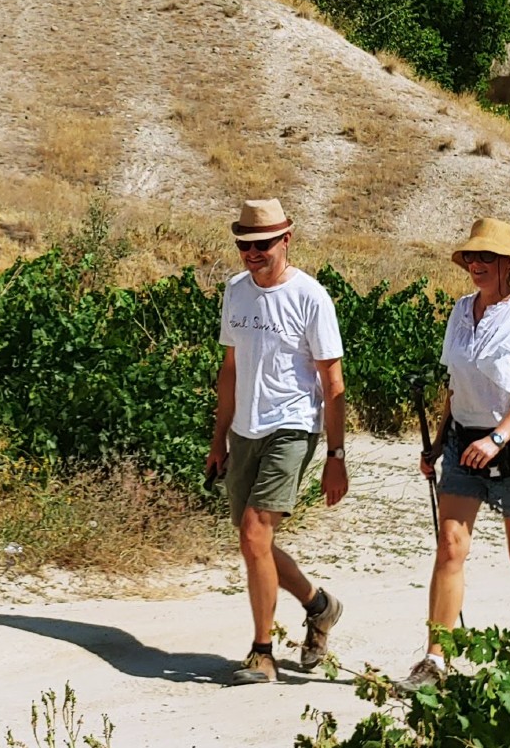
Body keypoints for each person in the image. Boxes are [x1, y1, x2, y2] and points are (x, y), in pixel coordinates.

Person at [400, 217, 510, 691]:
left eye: (486, 258)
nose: (476, 265)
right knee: (450, 546)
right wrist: (438, 444)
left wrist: (496, 438)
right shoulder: (460, 311)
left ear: (508, 266)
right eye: (471, 257)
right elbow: (456, 388)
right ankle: (434, 660)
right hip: (463, 442)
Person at [207, 198, 350, 686]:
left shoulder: (311, 297)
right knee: (255, 545)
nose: (253, 252)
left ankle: (262, 654)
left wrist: (335, 455)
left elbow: (333, 383)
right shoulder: (236, 292)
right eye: (245, 244)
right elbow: (229, 371)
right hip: (244, 429)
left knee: (254, 533)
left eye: (263, 243)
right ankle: (320, 605)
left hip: (292, 426)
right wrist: (218, 439)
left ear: (286, 240)